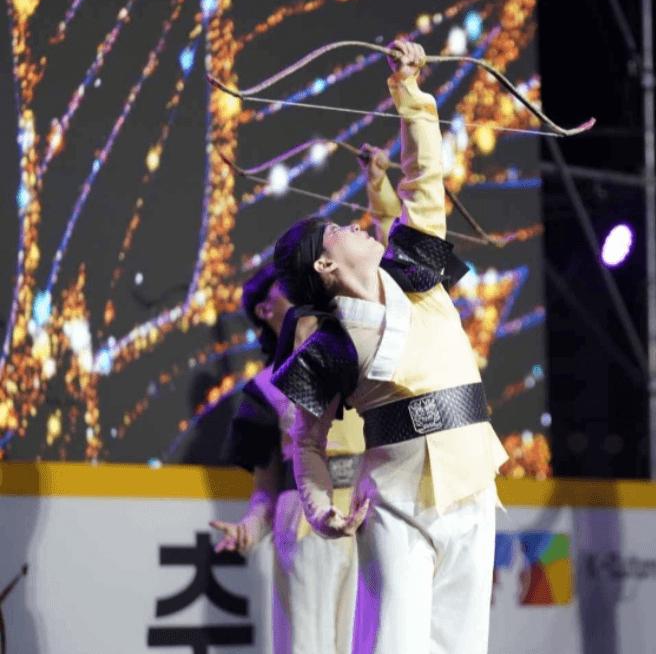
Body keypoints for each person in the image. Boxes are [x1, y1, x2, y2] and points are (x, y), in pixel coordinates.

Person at [270, 40, 509, 654]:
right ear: (324, 263)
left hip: (472, 483)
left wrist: (410, 94)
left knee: (462, 647)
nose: (352, 224)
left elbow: (423, 180)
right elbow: (305, 440)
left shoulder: (413, 271)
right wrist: (322, 507)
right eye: (337, 229)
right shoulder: (325, 348)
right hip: (399, 507)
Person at [211, 265, 365, 654]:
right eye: (288, 287)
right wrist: (250, 527)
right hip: (304, 527)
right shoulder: (263, 389)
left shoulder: (356, 365)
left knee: (367, 642)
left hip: (366, 514)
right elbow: (265, 489)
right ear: (265, 310)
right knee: (307, 645)